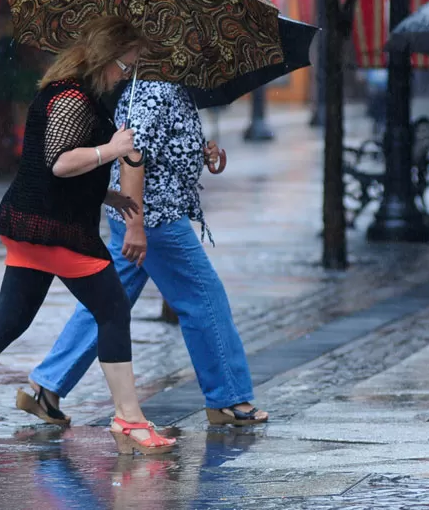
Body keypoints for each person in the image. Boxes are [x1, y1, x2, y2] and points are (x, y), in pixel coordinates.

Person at [0, 16, 176, 456]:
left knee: (10, 320)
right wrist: (112, 150)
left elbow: (55, 168)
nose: (126, 73)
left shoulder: (76, 94)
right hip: (56, 232)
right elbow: (58, 162)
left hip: (34, 224)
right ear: (106, 56)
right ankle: (129, 419)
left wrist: (107, 194)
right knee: (112, 311)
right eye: (126, 64)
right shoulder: (72, 97)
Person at [19, 80, 269, 428]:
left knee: (107, 302)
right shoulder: (152, 90)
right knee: (204, 298)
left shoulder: (173, 89)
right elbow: (131, 157)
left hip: (145, 216)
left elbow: (163, 150)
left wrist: (207, 154)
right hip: (155, 220)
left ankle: (48, 385)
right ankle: (227, 397)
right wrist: (136, 225)